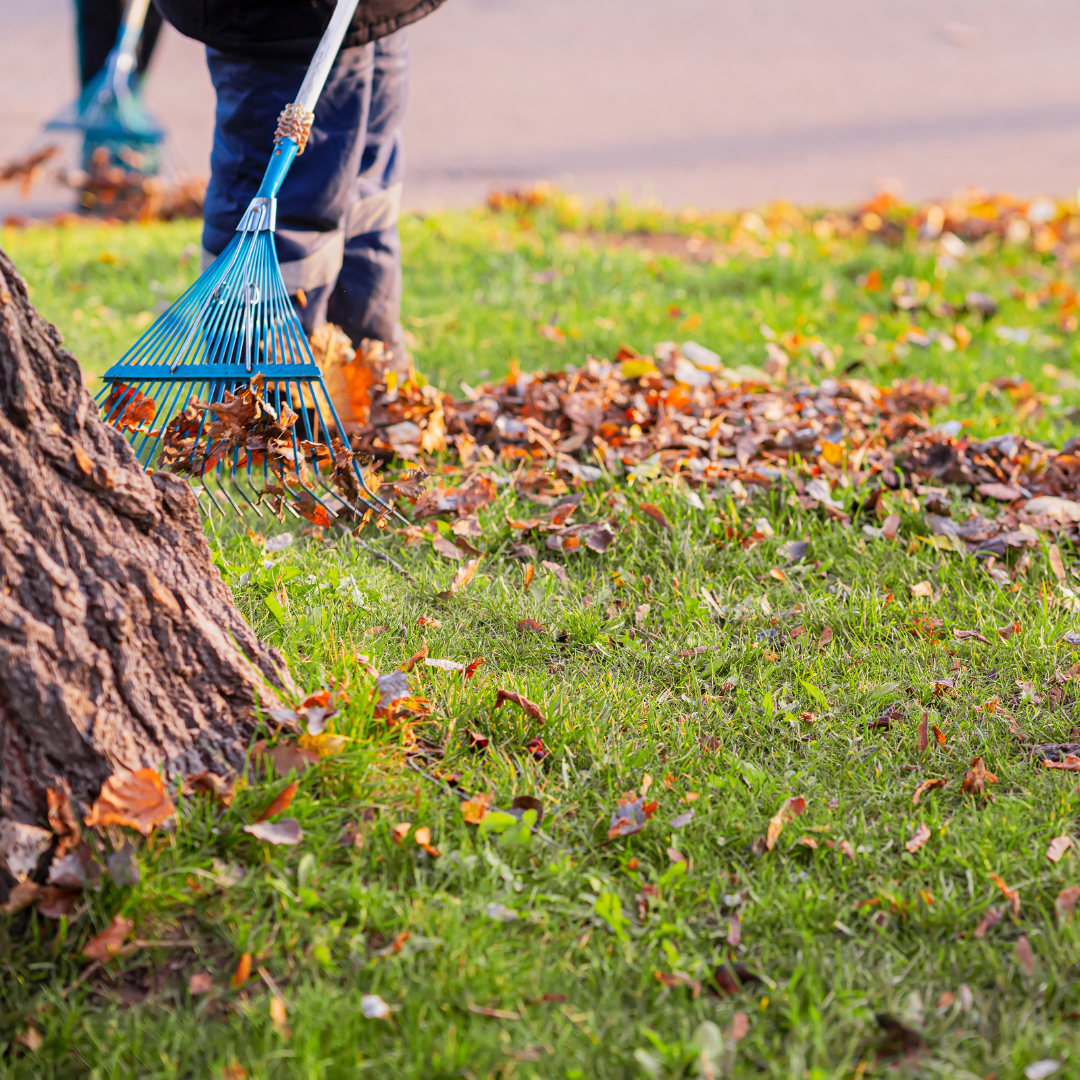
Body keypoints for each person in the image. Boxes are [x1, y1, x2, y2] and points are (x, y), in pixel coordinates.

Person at [153, 0, 448, 372]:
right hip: (281, 24)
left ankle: (365, 390)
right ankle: (260, 408)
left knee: (365, 198)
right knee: (283, 222)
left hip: (371, 12)